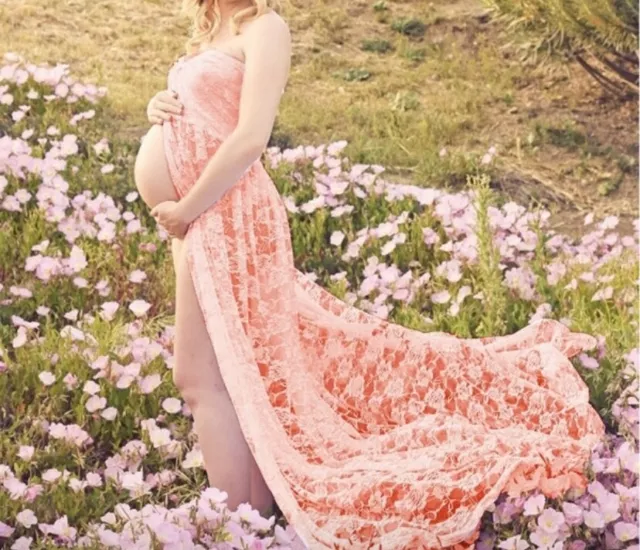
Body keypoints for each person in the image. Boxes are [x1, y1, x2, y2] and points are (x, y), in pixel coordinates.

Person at [139, 1, 607, 548]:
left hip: (226, 214)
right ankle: (252, 516)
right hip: (199, 219)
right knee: (232, 375)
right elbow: (207, 112)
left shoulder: (266, 26)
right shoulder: (210, 27)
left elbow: (250, 138)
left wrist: (189, 205)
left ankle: (233, 525)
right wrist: (161, 106)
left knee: (200, 378)